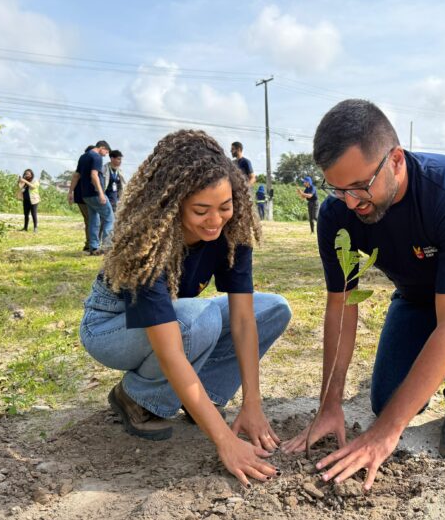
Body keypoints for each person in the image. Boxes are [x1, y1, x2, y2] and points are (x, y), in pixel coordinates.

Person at [282, 100, 445, 491]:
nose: (352, 202)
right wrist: (329, 403)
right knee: (387, 401)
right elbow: (342, 306)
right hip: (419, 298)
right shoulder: (339, 216)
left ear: (397, 160)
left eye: (361, 187)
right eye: (338, 189)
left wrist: (385, 433)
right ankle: (428, 372)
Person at [79, 129, 292, 487]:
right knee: (198, 320)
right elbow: (171, 350)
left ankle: (201, 401)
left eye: (225, 207)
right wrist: (225, 441)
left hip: (177, 317)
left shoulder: (231, 231)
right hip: (111, 328)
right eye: (200, 211)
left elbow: (242, 320)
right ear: (173, 204)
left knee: (272, 309)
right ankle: (137, 397)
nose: (215, 220)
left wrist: (251, 406)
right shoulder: (148, 243)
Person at [69, 140, 113, 255]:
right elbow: (94, 175)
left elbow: (76, 175)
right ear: (102, 147)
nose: (106, 154)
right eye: (106, 151)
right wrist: (101, 193)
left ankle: (93, 247)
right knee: (109, 218)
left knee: (94, 219)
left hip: (85, 195)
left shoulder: (83, 157)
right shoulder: (97, 157)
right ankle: (107, 246)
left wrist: (70, 192)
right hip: (95, 193)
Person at [69, 145, 94, 252]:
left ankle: (90, 243)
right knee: (90, 220)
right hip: (86, 197)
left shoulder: (82, 166)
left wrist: (70, 193)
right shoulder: (89, 165)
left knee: (89, 220)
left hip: (81, 197)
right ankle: (90, 244)